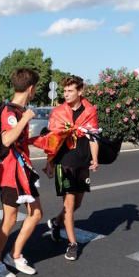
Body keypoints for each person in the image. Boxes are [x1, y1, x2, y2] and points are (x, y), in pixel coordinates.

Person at [0, 68, 43, 277]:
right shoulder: (11, 112)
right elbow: (7, 139)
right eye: (35, 87)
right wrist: (26, 117)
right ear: (30, 88)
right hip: (11, 172)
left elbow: (18, 141)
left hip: (24, 170)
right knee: (9, 219)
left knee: (36, 213)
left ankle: (14, 255)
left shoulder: (19, 111)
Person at [41, 75, 100, 261]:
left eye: (70, 91)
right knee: (69, 203)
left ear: (80, 91)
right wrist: (49, 163)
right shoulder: (58, 112)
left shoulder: (90, 111)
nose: (66, 94)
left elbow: (94, 137)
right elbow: (52, 140)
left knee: (78, 203)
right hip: (63, 162)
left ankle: (56, 222)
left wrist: (95, 159)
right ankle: (73, 244)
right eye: (64, 91)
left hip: (82, 162)